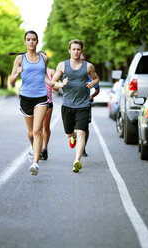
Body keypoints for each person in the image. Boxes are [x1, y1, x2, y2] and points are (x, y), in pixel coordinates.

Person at [9, 30, 67, 176]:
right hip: (26, 97)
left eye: (33, 39)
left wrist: (58, 85)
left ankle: (35, 163)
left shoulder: (43, 58)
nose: (31, 42)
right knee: (30, 133)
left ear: (37, 41)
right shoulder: (20, 59)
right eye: (28, 39)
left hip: (41, 96)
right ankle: (32, 146)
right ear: (25, 42)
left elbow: (47, 79)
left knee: (37, 130)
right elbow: (11, 81)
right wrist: (18, 72)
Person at [52, 39, 99, 173]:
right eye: (74, 49)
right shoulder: (62, 66)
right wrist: (62, 84)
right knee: (69, 133)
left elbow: (96, 78)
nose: (76, 52)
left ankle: (77, 160)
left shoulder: (88, 66)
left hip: (83, 104)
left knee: (82, 132)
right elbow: (53, 82)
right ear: (69, 50)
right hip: (67, 105)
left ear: (81, 51)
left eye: (78, 49)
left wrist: (92, 83)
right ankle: (72, 137)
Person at [80, 54, 100, 157]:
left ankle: (82, 148)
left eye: (84, 60)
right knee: (73, 128)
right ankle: (74, 136)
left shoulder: (89, 73)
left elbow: (97, 89)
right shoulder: (72, 71)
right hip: (73, 104)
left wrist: (92, 95)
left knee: (85, 127)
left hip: (86, 104)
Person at [38, 51, 56, 160]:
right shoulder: (34, 71)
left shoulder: (51, 72)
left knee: (45, 127)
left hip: (48, 102)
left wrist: (54, 84)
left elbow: (57, 88)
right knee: (37, 128)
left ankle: (45, 149)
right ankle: (38, 149)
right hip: (35, 102)